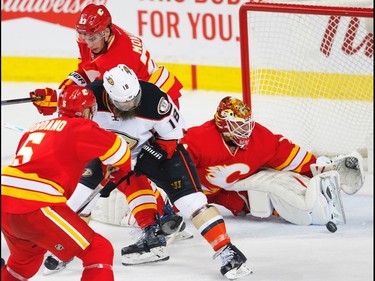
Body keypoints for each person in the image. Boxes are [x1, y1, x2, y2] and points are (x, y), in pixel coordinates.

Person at [29, 3, 187, 272]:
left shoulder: (118, 60)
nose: (88, 41)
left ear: (107, 31)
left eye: (93, 36)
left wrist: (59, 101)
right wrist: (65, 88)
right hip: (132, 99)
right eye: (84, 36)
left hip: (148, 106)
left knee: (122, 167)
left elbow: (94, 97)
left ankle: (155, 220)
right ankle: (162, 215)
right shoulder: (96, 38)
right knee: (120, 166)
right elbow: (86, 72)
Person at [71, 64, 250, 279]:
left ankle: (227, 251)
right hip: (110, 154)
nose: (131, 104)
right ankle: (68, 246)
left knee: (191, 202)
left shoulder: (154, 99)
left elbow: (173, 135)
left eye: (134, 98)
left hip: (161, 150)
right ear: (108, 96)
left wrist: (153, 153)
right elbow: (66, 114)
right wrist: (49, 101)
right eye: (124, 102)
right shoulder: (91, 97)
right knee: (79, 199)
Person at [1, 86, 132, 281]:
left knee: (23, 264)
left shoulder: (34, 128)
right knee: (98, 249)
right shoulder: (82, 127)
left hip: (5, 202)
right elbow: (121, 151)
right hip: (34, 204)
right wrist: (120, 168)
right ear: (87, 111)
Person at [179, 96, 365, 226]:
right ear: (222, 124)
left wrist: (317, 168)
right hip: (200, 192)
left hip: (234, 184)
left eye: (247, 124)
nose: (246, 131)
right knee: (248, 202)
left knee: (258, 198)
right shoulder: (199, 140)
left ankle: (320, 174)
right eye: (239, 126)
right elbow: (172, 169)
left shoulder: (258, 138)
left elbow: (285, 152)